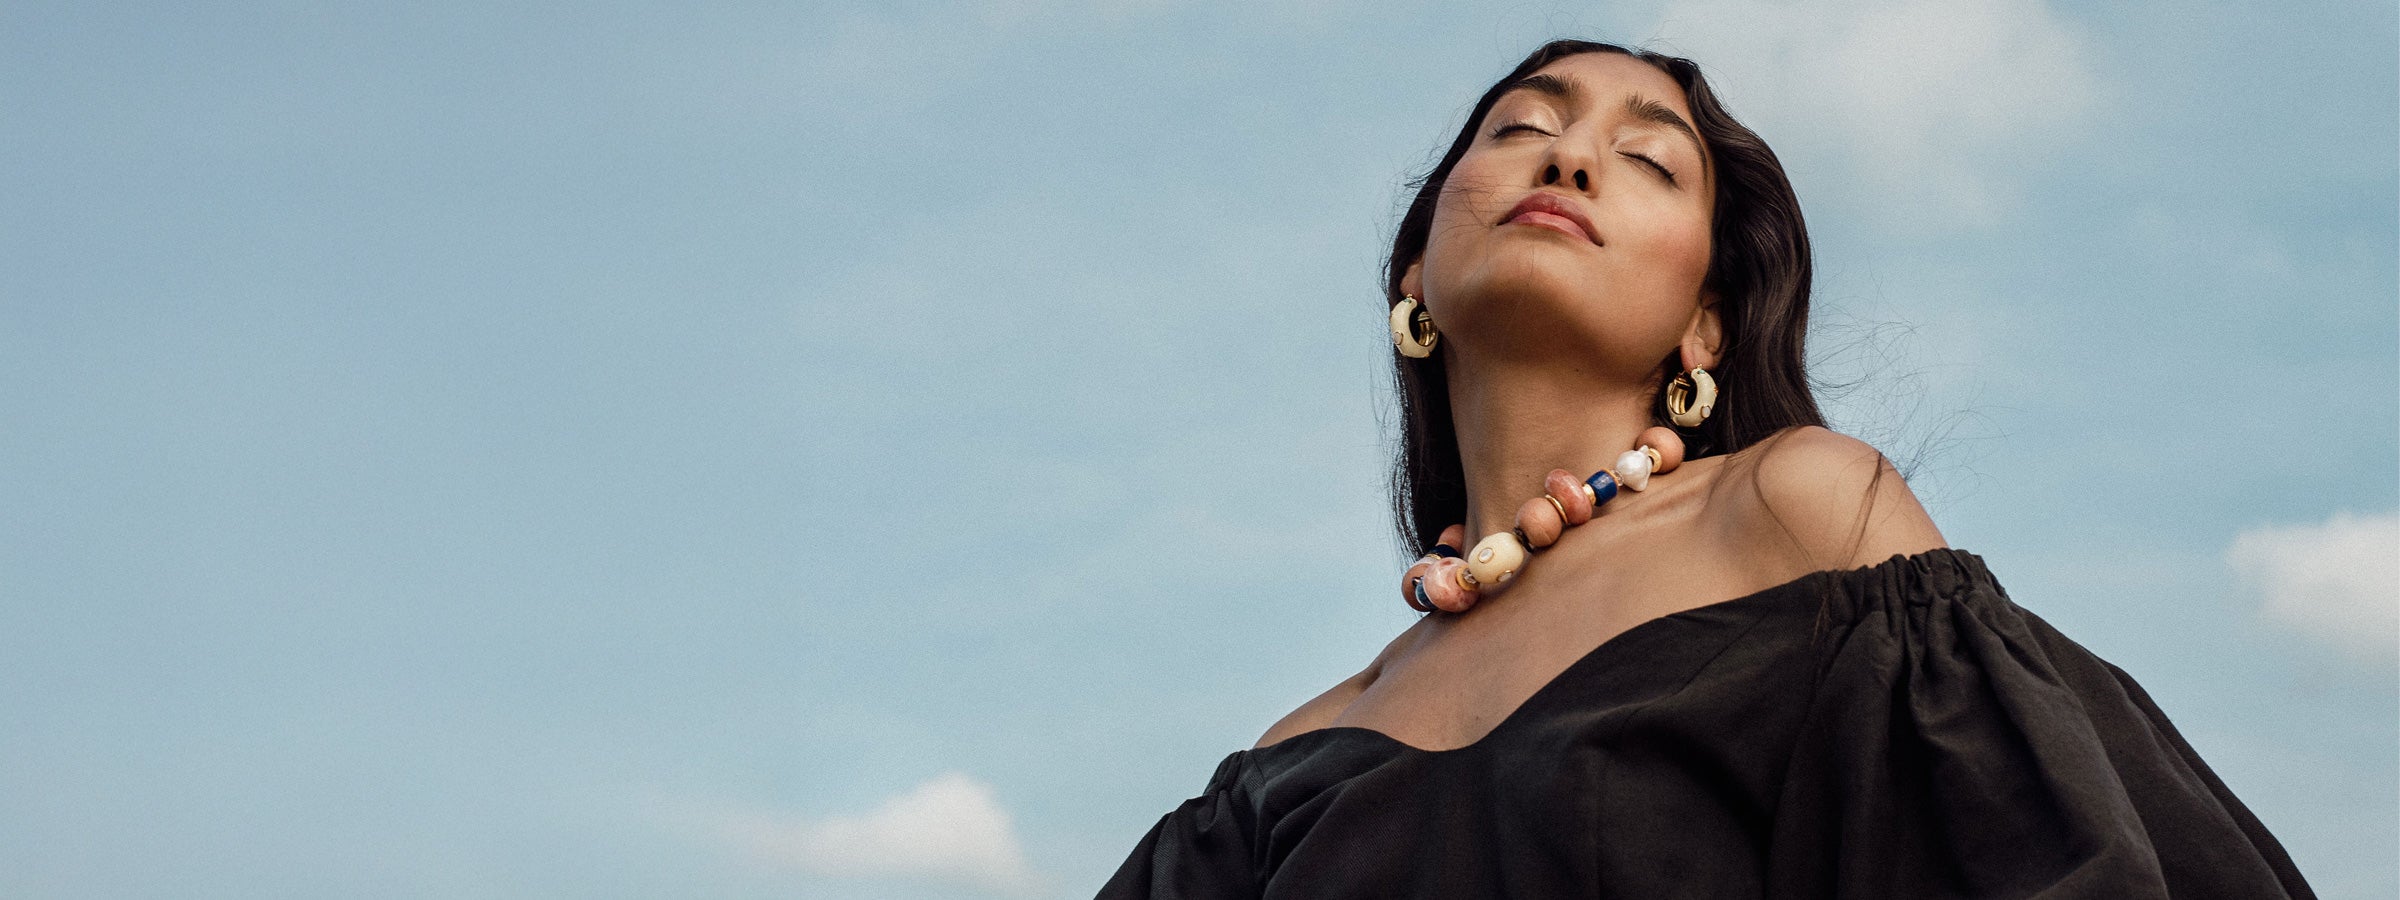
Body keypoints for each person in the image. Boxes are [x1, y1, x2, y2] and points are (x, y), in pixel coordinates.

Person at [1097, 39, 2317, 899]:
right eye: (1524, 127)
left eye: (1651, 160)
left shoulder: (1799, 516)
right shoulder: (1281, 769)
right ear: (1413, 274)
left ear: (1708, 331)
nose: (1567, 160)